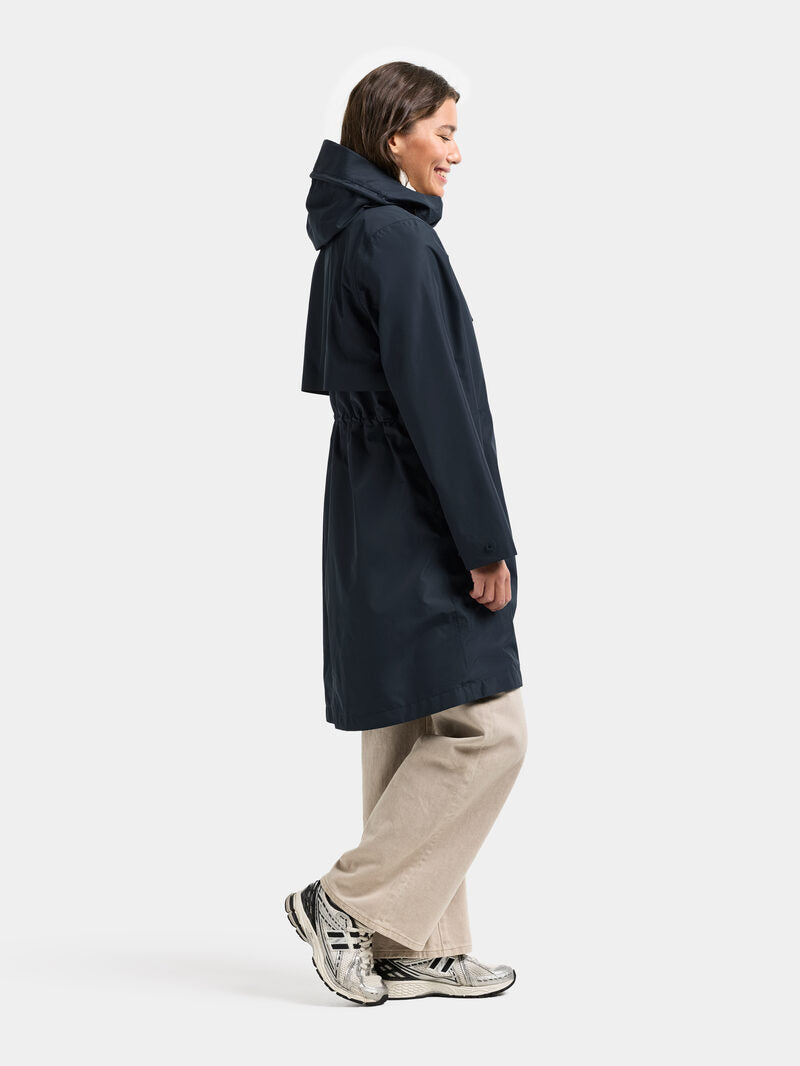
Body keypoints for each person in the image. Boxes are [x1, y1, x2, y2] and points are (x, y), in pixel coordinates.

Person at [285, 61, 528, 1006]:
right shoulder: (396, 239)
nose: (456, 153)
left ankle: (410, 940)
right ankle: (346, 902)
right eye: (444, 133)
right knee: (487, 730)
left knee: (412, 717)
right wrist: (484, 539)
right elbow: (438, 405)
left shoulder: (352, 234)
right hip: (418, 505)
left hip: (367, 501)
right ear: (395, 138)